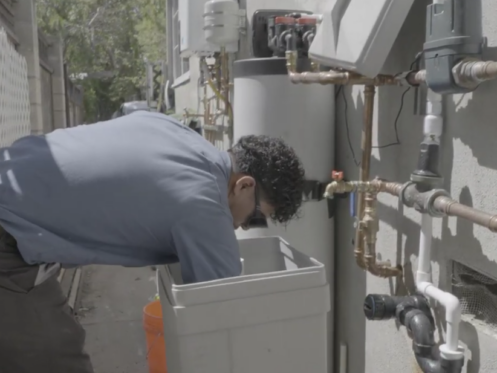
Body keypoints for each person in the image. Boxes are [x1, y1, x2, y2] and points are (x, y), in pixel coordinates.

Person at [0, 111, 305, 372]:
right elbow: (222, 319)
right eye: (254, 218)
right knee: (59, 360)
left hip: (11, 187)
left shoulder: (177, 134)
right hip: (10, 235)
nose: (240, 227)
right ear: (244, 185)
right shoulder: (206, 205)